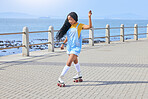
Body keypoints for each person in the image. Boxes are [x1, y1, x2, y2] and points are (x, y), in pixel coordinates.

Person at [56, 10, 92, 87]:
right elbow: (68, 37)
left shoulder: (79, 26)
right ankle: (79, 74)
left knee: (68, 63)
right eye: (68, 19)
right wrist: (63, 43)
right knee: (75, 61)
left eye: (71, 19)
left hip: (76, 48)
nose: (69, 21)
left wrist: (89, 17)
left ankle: (61, 77)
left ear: (75, 19)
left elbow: (89, 27)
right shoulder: (69, 26)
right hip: (69, 47)